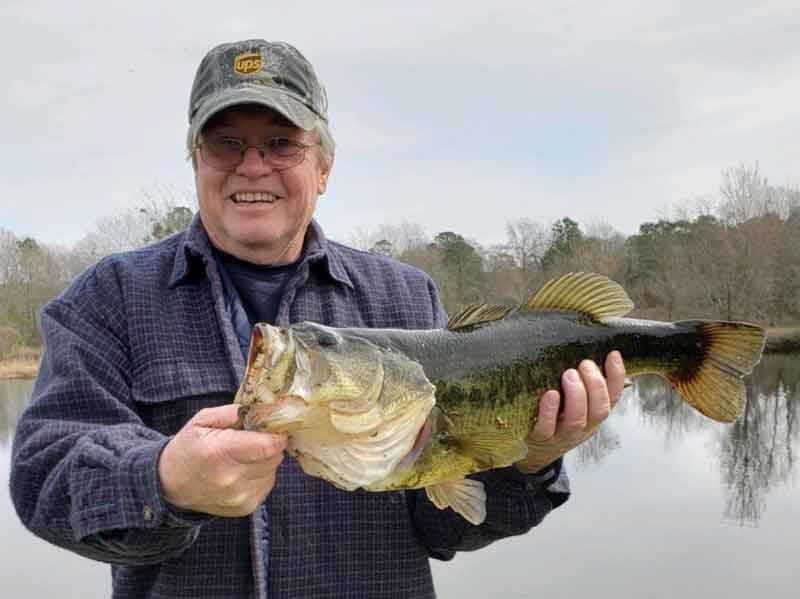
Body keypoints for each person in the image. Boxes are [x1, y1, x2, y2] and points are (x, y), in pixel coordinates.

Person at [10, 39, 626, 599]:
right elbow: (42, 478)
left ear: (323, 167)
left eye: (281, 143)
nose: (253, 166)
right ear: (195, 160)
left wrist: (530, 462)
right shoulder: (110, 297)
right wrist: (163, 480)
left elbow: (447, 525)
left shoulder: (407, 299)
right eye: (227, 143)